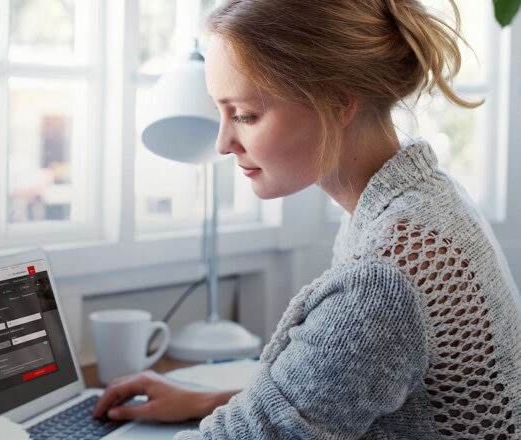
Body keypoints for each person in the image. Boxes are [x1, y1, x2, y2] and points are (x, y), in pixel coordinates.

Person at [94, 0, 521, 438]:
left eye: (245, 114)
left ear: (337, 102)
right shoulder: (426, 197)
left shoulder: (385, 277)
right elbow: (341, 391)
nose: (223, 142)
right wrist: (207, 401)